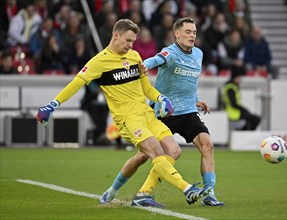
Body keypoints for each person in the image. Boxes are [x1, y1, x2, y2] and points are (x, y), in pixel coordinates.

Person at [36, 19, 210, 206]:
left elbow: (146, 88)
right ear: (116, 35)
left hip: (146, 113)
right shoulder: (99, 62)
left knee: (173, 151)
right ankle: (186, 188)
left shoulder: (134, 56)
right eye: (128, 40)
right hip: (127, 119)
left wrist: (161, 98)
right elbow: (76, 84)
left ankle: (113, 189)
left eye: (133, 41)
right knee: (156, 151)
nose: (130, 45)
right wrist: (52, 104)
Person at [99, 17, 224, 207]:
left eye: (194, 32)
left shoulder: (198, 54)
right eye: (188, 32)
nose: (192, 35)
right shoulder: (170, 52)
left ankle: (208, 193)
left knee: (207, 146)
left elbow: (190, 80)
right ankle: (113, 189)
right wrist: (144, 66)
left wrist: (196, 99)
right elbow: (157, 59)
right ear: (177, 34)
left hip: (188, 111)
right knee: (143, 156)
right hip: (165, 112)